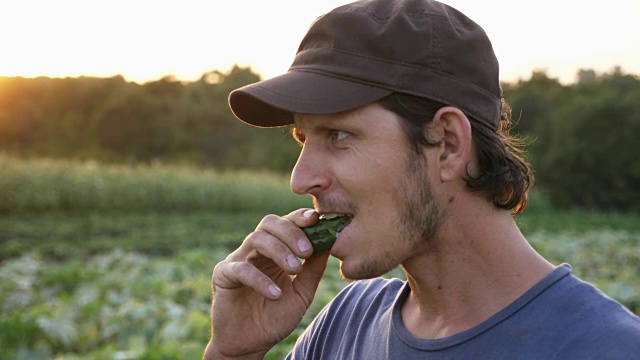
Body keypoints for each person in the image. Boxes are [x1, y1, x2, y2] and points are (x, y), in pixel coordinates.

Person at [204, 0, 640, 358]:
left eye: (338, 135)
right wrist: (232, 353)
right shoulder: (340, 329)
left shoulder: (607, 348)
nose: (301, 179)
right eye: (303, 137)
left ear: (448, 143)